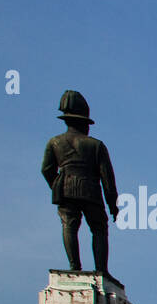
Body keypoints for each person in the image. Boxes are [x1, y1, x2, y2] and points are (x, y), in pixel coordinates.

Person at [40, 90, 121, 276]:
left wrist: (57, 185)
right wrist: (112, 205)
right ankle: (101, 269)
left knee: (69, 225)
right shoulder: (96, 146)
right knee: (99, 228)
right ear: (84, 123)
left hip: (66, 190)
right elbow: (108, 180)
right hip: (90, 191)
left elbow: (46, 169)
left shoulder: (55, 142)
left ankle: (74, 266)